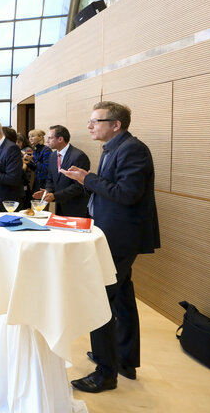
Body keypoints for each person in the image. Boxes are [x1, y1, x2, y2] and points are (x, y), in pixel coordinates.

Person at [61, 101, 160, 393]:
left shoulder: (132, 149)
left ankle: (106, 372)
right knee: (122, 299)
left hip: (121, 238)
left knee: (99, 300)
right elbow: (110, 187)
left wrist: (87, 179)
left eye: (96, 121)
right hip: (112, 234)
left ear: (116, 125)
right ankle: (124, 360)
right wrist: (86, 179)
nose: (90, 126)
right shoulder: (113, 148)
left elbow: (128, 194)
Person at [33, 125, 91, 217]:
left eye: (50, 138)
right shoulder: (53, 156)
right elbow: (50, 179)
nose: (47, 141)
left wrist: (55, 196)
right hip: (59, 206)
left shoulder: (78, 156)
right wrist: (47, 192)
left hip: (76, 207)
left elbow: (78, 186)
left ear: (60, 139)